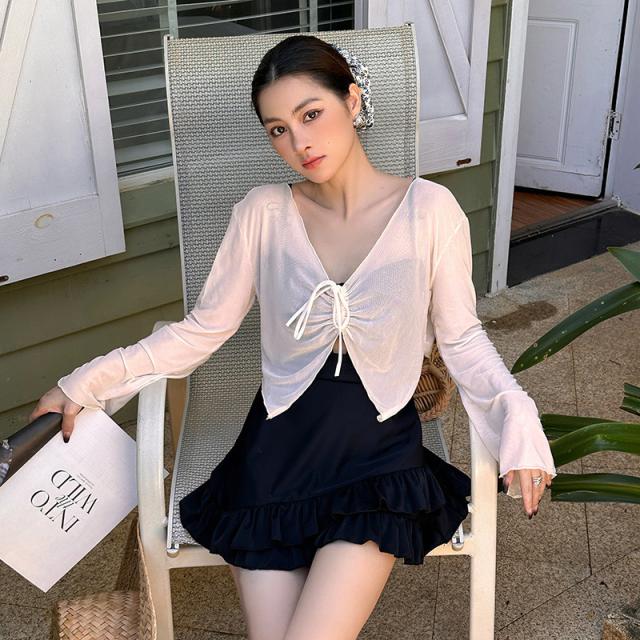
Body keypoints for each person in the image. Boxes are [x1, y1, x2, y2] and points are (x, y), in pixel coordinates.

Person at [29, 34, 556, 640]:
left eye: (311, 114)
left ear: (352, 101)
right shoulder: (263, 212)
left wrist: (516, 414)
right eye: (278, 129)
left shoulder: (429, 210)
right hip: (274, 454)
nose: (299, 143)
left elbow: (461, 338)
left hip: (377, 455)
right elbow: (202, 330)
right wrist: (83, 383)